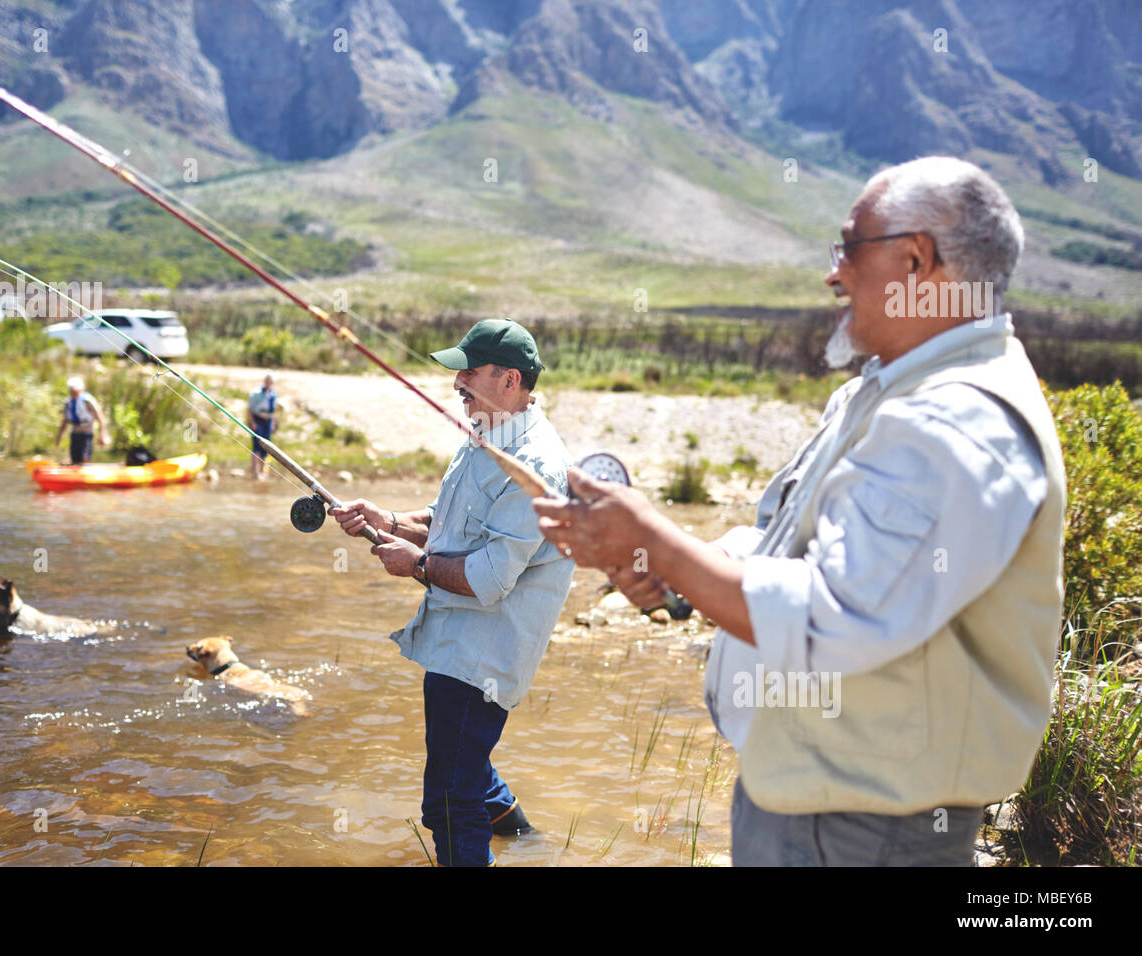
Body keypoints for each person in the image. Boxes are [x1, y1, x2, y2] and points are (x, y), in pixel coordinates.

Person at [534, 156, 1066, 867]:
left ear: (917, 261)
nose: (833, 273)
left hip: (864, 831)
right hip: (827, 809)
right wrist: (677, 569)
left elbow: (833, 615)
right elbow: (795, 553)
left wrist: (657, 546)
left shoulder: (957, 422)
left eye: (850, 246)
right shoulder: (887, 393)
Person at [330, 319, 575, 867]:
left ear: (510, 379)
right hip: (455, 644)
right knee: (466, 762)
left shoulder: (537, 466)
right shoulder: (484, 436)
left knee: (447, 800)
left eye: (468, 372)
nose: (456, 384)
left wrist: (414, 563)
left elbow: (489, 578)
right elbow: (450, 523)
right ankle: (527, 843)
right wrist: (387, 518)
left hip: (482, 657)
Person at [54, 376, 110, 464]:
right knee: (75, 459)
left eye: (75, 391)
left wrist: (102, 434)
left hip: (87, 433)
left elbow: (100, 416)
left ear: (80, 390)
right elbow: (65, 421)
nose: (73, 393)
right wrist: (59, 436)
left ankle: (86, 472)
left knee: (85, 458)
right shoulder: (68, 403)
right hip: (75, 433)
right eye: (71, 391)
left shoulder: (87, 401)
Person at [248, 373, 279, 480]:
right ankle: (254, 472)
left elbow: (274, 411)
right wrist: (252, 423)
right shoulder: (256, 393)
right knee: (256, 446)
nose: (269, 384)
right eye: (268, 382)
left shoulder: (273, 394)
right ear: (265, 381)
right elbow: (250, 409)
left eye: (271, 382)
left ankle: (262, 471)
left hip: (268, 421)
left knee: (266, 447)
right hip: (257, 420)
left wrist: (273, 423)